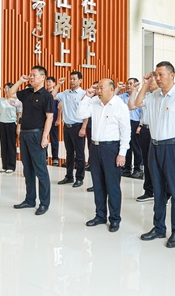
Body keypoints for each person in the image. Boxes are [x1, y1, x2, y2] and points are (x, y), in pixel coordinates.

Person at [134, 62, 175, 248]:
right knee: (158, 190)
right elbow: (137, 103)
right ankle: (159, 227)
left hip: (173, 147)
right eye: (156, 75)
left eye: (161, 74)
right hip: (155, 147)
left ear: (172, 75)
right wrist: (146, 83)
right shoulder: (154, 95)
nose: (158, 78)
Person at [76, 79, 131, 232]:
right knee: (98, 184)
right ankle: (100, 215)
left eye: (102, 88)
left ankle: (115, 219)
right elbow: (79, 114)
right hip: (95, 147)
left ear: (111, 89)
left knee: (112, 186)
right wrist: (87, 97)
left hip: (111, 148)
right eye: (98, 88)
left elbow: (126, 131)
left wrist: (122, 153)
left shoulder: (120, 106)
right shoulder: (94, 102)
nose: (98, 91)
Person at [9, 66, 54, 215]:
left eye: (34, 75)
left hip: (37, 134)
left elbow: (49, 117)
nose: (31, 77)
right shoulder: (27, 93)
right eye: (30, 75)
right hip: (24, 134)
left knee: (40, 170)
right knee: (27, 169)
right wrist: (20, 81)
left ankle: (44, 203)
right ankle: (29, 200)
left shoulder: (46, 96)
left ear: (43, 77)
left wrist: (45, 136)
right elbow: (10, 94)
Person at [53, 71, 87, 187]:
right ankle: (69, 176)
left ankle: (80, 178)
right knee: (69, 153)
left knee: (80, 154)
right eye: (70, 79)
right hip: (67, 127)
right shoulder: (65, 93)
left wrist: (83, 128)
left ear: (80, 80)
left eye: (74, 79)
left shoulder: (83, 94)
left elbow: (86, 113)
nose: (72, 81)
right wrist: (58, 84)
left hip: (78, 126)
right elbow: (52, 96)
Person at [131, 74, 158, 202]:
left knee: (158, 163)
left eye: (152, 81)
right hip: (145, 130)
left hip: (157, 131)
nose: (150, 83)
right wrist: (136, 89)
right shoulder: (147, 96)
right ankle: (149, 190)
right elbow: (132, 105)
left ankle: (162, 192)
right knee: (147, 162)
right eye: (148, 81)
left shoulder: (162, 97)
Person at [116, 78, 143, 179]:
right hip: (125, 123)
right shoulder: (123, 96)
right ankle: (127, 168)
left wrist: (140, 125)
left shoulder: (140, 96)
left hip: (136, 123)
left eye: (131, 84)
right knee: (126, 145)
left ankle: (137, 169)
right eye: (127, 84)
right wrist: (118, 89)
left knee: (136, 147)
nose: (128, 86)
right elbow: (112, 98)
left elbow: (143, 113)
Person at [0, 83, 20, 173]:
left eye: (8, 88)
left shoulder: (16, 101)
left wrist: (18, 127)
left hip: (12, 124)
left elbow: (19, 115)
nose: (6, 90)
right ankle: (5, 165)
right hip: (2, 123)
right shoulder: (1, 100)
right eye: (5, 88)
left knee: (11, 145)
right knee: (3, 145)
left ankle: (11, 166)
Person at [46, 76, 61, 166]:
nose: (48, 83)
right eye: (47, 82)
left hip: (54, 119)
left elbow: (60, 108)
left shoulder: (57, 94)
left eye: (50, 82)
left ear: (54, 84)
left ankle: (55, 158)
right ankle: (44, 156)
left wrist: (58, 119)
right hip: (44, 120)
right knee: (44, 138)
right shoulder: (44, 93)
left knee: (54, 139)